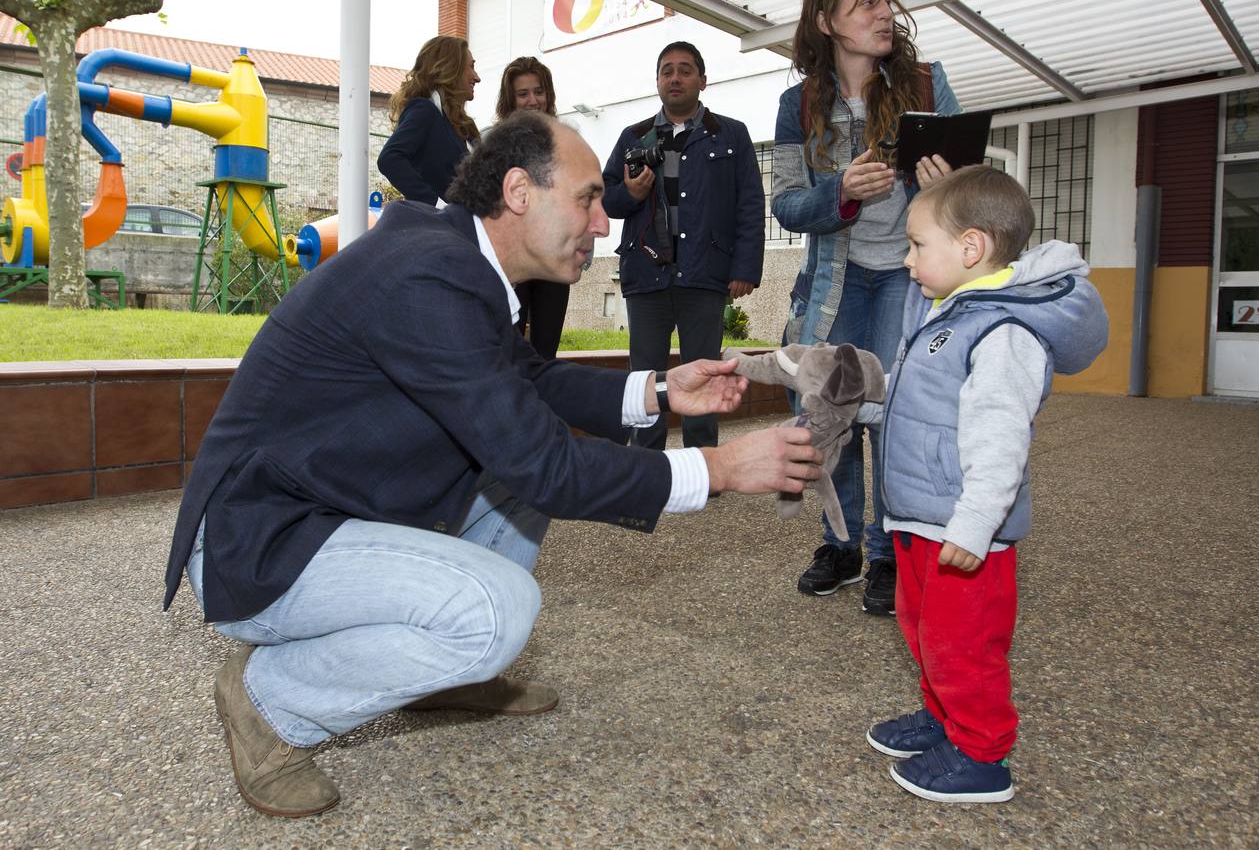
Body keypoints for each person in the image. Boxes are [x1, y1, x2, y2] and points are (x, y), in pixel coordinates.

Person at [163, 112, 823, 818]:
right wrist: (719, 469)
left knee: (514, 465)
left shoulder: (454, 259)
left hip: (326, 507)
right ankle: (271, 702)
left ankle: (435, 679)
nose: (604, 224)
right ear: (518, 192)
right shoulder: (429, 275)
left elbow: (528, 385)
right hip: (259, 542)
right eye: (587, 198)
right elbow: (547, 465)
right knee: (497, 612)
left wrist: (661, 389)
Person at [861, 166, 1108, 803]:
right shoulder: (946, 311)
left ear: (970, 248)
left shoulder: (1001, 332)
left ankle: (980, 753)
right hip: (921, 520)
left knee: (964, 643)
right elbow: (919, 401)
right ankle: (945, 718)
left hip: (963, 529)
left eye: (917, 245)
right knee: (924, 631)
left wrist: (976, 523)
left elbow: (1000, 441)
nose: (907, 258)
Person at [771, 0, 962, 615]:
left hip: (910, 277)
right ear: (828, 22)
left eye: (885, 0)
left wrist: (947, 190)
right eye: (865, 4)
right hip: (838, 280)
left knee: (894, 417)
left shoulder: (927, 86)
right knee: (832, 413)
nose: (884, 13)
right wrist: (841, 193)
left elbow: (970, 192)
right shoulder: (797, 104)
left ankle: (886, 553)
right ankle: (841, 543)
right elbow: (788, 206)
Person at [602, 41, 764, 451]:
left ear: (702, 81)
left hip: (706, 272)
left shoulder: (732, 134)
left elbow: (749, 202)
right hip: (646, 273)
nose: (675, 78)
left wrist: (745, 266)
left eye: (685, 70)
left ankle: (703, 460)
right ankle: (646, 462)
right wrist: (631, 194)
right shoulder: (633, 136)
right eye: (666, 71)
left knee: (704, 372)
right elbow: (604, 199)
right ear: (657, 81)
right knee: (646, 376)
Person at [496, 56, 570, 359]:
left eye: (538, 92)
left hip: (553, 255)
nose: (532, 100)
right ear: (510, 99)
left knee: (546, 351)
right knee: (508, 347)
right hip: (513, 257)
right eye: (523, 93)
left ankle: (542, 405)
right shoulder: (497, 142)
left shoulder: (565, 138)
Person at [377, 35, 481, 206]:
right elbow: (390, 158)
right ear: (450, 68)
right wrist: (436, 205)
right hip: (443, 228)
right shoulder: (424, 110)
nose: (477, 77)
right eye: (471, 66)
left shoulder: (465, 126)